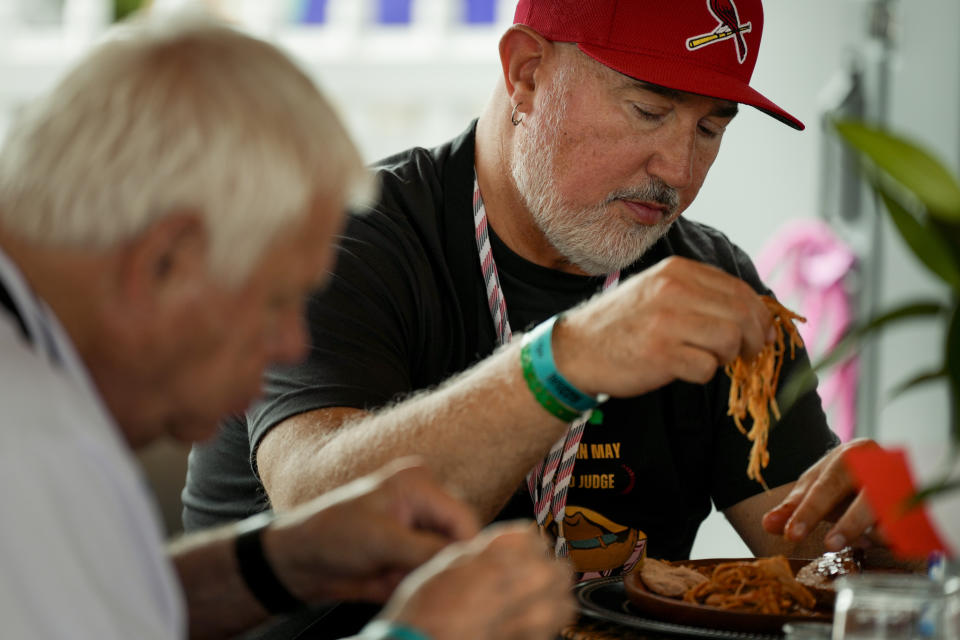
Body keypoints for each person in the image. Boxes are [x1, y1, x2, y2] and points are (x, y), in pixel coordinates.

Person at [184, 0, 866, 580]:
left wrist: (879, 520)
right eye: (650, 111)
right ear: (527, 74)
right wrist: (561, 363)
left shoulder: (713, 283)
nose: (679, 171)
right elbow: (322, 514)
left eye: (710, 128)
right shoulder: (337, 240)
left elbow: (815, 556)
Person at [0, 9, 575, 640]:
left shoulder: (37, 380)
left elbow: (97, 608)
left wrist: (284, 560)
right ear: (164, 262)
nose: (291, 343)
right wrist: (416, 634)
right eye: (277, 300)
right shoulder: (26, 439)